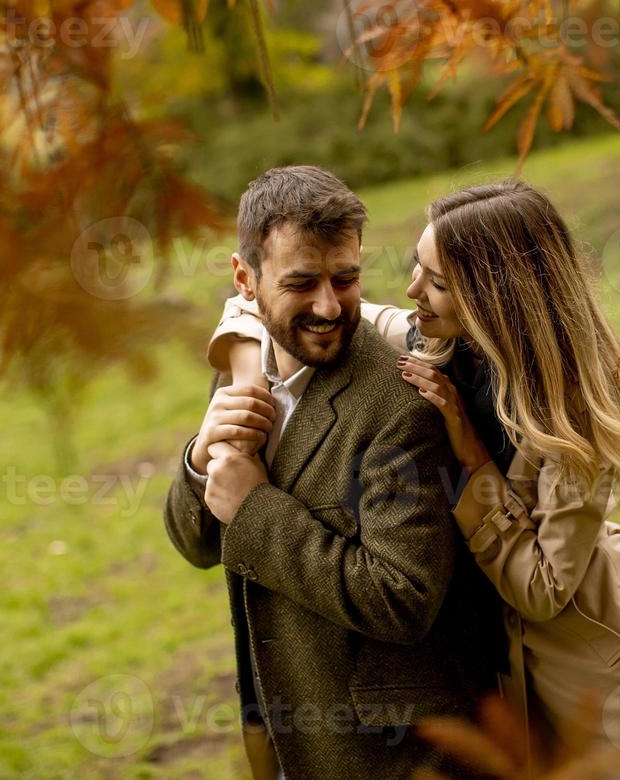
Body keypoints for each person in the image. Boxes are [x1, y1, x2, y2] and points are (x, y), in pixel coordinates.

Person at [202, 179, 620, 778]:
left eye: (438, 283)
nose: (412, 289)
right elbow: (266, 301)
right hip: (508, 673)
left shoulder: (571, 415)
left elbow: (543, 591)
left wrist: (472, 459)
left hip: (605, 668)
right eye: (416, 268)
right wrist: (247, 382)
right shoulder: (430, 337)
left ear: (491, 299)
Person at [162, 166, 501, 780]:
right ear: (246, 279)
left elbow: (404, 598)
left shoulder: (399, 406)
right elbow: (197, 544)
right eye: (301, 283)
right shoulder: (241, 370)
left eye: (345, 279)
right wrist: (198, 458)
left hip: (389, 757)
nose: (328, 305)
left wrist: (255, 508)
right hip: (281, 731)